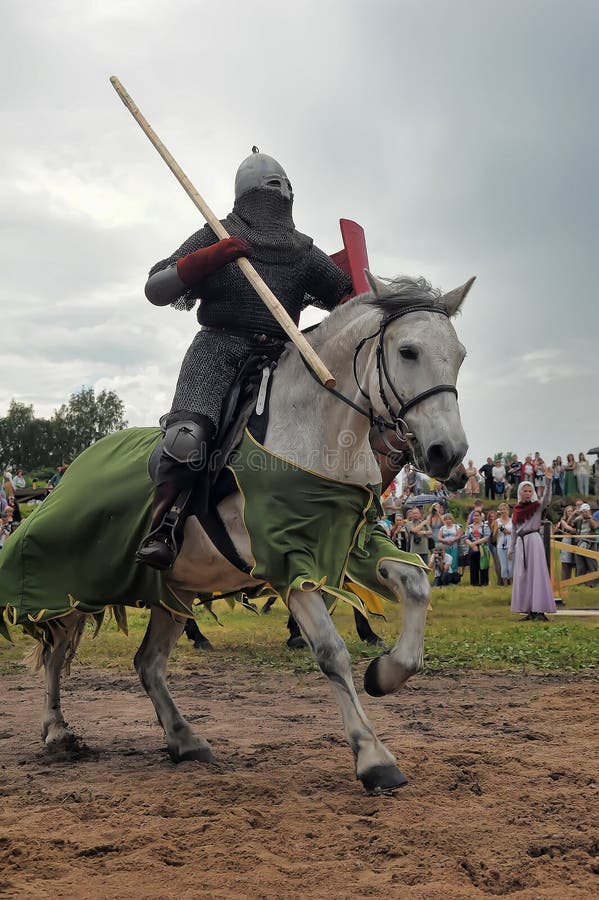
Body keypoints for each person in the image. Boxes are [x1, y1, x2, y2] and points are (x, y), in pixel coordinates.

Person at [136, 150, 353, 569]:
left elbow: (345, 299)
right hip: (217, 351)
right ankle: (166, 525)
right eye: (276, 186)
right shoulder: (219, 232)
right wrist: (209, 257)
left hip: (281, 357)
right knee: (186, 442)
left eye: (286, 186)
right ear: (253, 194)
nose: (284, 192)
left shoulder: (303, 252)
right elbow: (156, 288)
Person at [508, 472, 556, 621]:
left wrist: (548, 482)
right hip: (522, 543)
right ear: (520, 492)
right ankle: (529, 609)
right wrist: (511, 548)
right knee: (524, 576)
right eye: (525, 491)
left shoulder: (536, 507)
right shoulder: (516, 510)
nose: (528, 493)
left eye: (530, 491)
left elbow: (546, 498)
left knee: (537, 574)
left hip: (533, 541)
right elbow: (514, 531)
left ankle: (540, 610)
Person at [571, 502, 598, 586]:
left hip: (590, 544)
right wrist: (573, 514)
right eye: (583, 511)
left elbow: (595, 526)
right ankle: (580, 584)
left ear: (590, 511)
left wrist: (589, 517)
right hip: (579, 544)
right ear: (581, 512)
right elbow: (570, 523)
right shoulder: (578, 519)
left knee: (591, 565)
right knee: (580, 566)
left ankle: (593, 584)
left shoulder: (593, 519)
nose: (585, 513)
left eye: (587, 511)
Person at [465, 509, 491, 586]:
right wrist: (472, 545)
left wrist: (475, 543)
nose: (476, 517)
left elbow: (487, 537)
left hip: (482, 547)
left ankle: (484, 583)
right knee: (473, 567)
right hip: (472, 547)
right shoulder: (469, 527)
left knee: (483, 566)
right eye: (474, 516)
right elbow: (466, 537)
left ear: (481, 517)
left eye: (477, 516)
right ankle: (474, 584)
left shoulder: (485, 526)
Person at [494, 502, 514, 585]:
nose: (503, 511)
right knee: (503, 566)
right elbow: (494, 535)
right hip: (501, 546)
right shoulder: (497, 521)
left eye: (504, 509)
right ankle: (505, 584)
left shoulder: (512, 520)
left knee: (511, 565)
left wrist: (507, 531)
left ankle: (512, 584)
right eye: (501, 509)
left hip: (511, 545)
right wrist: (497, 529)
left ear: (508, 510)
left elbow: (515, 533)